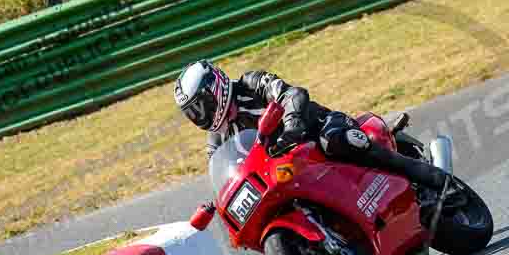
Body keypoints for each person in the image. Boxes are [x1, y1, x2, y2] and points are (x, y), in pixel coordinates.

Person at [173, 60, 449, 193]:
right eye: (192, 113)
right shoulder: (217, 138)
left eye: (201, 105)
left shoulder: (250, 84)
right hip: (287, 167)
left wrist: (292, 124)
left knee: (339, 141)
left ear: (215, 89)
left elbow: (292, 94)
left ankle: (433, 179)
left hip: (316, 130)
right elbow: (220, 172)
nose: (200, 115)